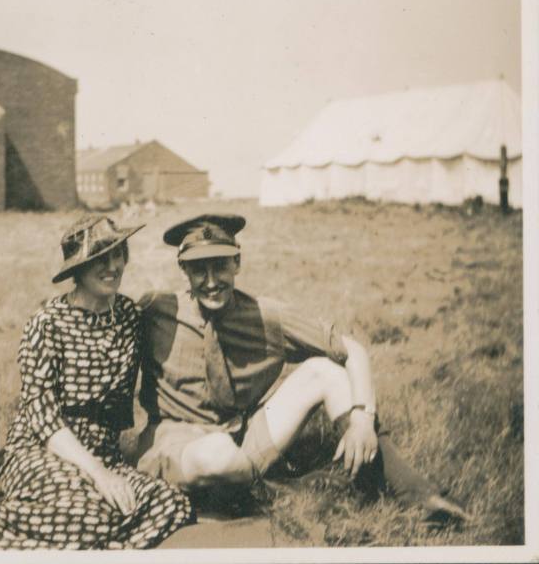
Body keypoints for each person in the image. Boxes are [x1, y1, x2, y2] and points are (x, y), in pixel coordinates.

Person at [134, 213, 469, 521]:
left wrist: (363, 420)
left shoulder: (266, 316)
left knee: (326, 371)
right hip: (177, 443)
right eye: (198, 269)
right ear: (183, 270)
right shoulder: (155, 309)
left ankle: (414, 493)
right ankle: (287, 489)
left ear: (237, 262)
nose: (210, 281)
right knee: (216, 456)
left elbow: (351, 349)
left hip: (241, 437)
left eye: (220, 265)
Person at [0, 215, 193, 550]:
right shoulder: (46, 324)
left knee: (172, 504)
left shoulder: (129, 316)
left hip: (105, 454)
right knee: (89, 515)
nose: (112, 266)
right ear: (77, 270)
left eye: (117, 254)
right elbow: (43, 419)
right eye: (99, 259)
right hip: (40, 452)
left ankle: (96, 543)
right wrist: (99, 475)